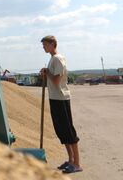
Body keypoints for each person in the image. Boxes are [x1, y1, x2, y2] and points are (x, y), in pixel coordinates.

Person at [40, 35, 82, 174]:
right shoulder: (53, 58)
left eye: (45, 44)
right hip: (55, 98)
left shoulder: (57, 58)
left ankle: (77, 164)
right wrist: (47, 73)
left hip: (61, 98)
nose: (43, 47)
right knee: (61, 131)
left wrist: (47, 73)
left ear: (53, 44)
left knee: (68, 131)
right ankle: (70, 160)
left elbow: (57, 80)